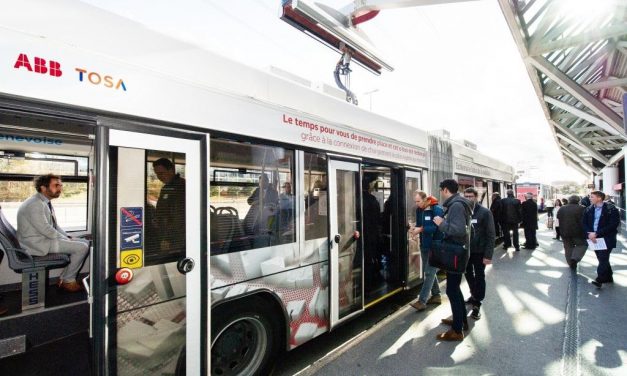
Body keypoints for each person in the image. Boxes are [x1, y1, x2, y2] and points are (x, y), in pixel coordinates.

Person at [17, 174, 89, 292]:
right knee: (82, 247)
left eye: (60, 185)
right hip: (37, 243)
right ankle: (68, 280)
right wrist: (66, 240)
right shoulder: (35, 204)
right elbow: (45, 229)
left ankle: (64, 278)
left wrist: (67, 236)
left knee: (85, 242)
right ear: (43, 188)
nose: (60, 188)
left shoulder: (43, 202)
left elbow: (54, 226)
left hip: (43, 239)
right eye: (56, 185)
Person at [433, 179, 472, 341]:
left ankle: (457, 330)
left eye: (442, 190)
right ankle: (460, 321)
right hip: (459, 252)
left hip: (455, 253)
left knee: (451, 290)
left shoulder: (455, 205)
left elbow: (457, 230)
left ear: (446, 190)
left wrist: (441, 223)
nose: (441, 193)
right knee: (454, 288)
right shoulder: (459, 203)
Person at [463, 187, 495, 320]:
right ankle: (474, 294)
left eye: (471, 196)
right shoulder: (463, 211)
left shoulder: (485, 212)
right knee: (468, 274)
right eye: (466, 196)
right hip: (466, 251)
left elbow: (491, 234)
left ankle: (477, 303)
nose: (468, 199)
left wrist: (488, 255)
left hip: (480, 251)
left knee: (480, 276)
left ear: (476, 197)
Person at [409, 191, 444, 311]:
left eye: (418, 201)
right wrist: (414, 230)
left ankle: (422, 301)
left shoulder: (436, 209)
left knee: (429, 272)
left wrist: (421, 229)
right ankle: (436, 295)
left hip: (435, 245)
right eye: (415, 201)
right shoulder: (419, 210)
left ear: (425, 199)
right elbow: (419, 225)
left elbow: (437, 227)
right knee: (428, 271)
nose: (417, 204)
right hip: (424, 244)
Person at [583, 191, 620, 287]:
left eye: (592, 197)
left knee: (603, 257)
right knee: (602, 258)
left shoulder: (611, 209)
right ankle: (609, 277)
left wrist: (597, 233)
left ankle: (600, 279)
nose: (590, 198)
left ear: (599, 198)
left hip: (606, 238)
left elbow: (613, 224)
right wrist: (590, 234)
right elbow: (584, 223)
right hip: (593, 238)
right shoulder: (588, 209)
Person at [152, 158, 186, 259]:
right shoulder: (167, 187)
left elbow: (179, 217)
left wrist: (168, 238)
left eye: (162, 173)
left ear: (171, 170)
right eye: (157, 174)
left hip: (176, 237)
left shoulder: (181, 187)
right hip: (165, 232)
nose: (159, 177)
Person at [244, 173, 279, 238]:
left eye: (263, 182)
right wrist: (256, 202)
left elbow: (276, 204)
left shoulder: (274, 192)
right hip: (255, 212)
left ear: (267, 182)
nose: (261, 184)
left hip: (267, 213)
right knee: (246, 224)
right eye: (260, 182)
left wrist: (268, 205)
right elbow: (249, 201)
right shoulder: (257, 190)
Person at [557, 195, 587, 269]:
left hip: (564, 232)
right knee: (582, 245)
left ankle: (570, 263)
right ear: (578, 200)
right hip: (578, 232)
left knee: (568, 247)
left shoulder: (562, 208)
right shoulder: (582, 208)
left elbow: (558, 217)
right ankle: (575, 258)